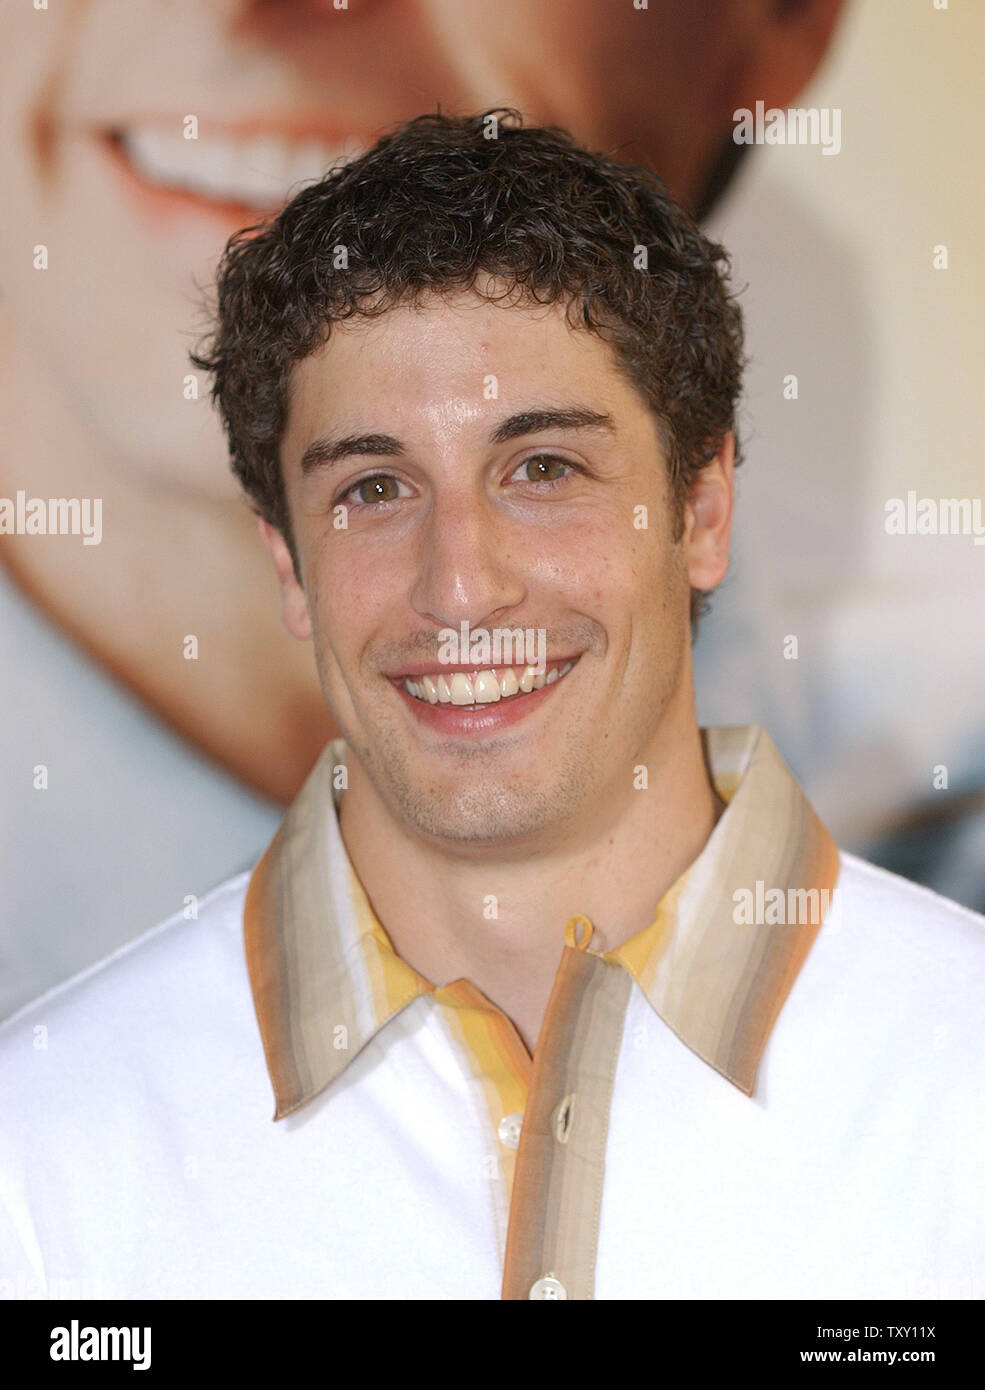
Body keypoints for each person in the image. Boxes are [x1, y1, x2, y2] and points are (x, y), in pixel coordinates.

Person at [2, 109, 981, 1302]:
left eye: (542, 468)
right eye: (373, 487)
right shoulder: (42, 1148)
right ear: (286, 566)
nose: (458, 583)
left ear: (704, 509)